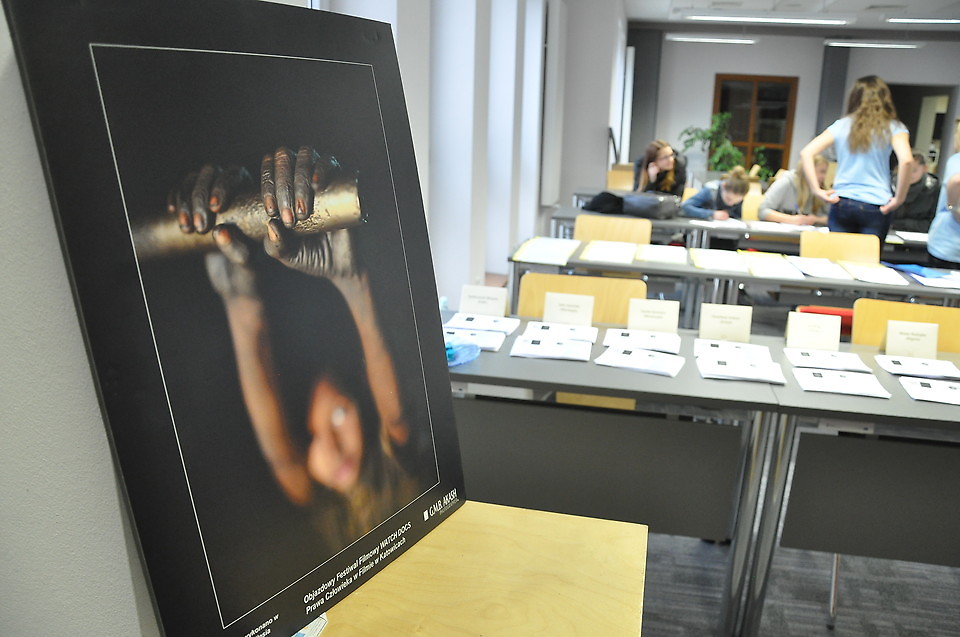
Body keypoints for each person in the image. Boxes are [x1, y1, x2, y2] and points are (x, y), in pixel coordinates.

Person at [168, 147, 427, 551]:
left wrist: (240, 302)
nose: (332, 449)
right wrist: (354, 283)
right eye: (338, 417)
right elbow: (399, 421)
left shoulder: (309, 490)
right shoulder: (394, 440)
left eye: (315, 435)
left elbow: (281, 457)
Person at [799, 75, 913, 241]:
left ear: (855, 98)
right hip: (876, 204)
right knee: (867, 256)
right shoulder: (894, 127)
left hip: (842, 202)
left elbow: (806, 152)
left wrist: (817, 190)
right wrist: (899, 199)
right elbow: (907, 160)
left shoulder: (841, 125)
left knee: (839, 255)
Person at [757, 155, 829, 225]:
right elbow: (762, 211)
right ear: (808, 170)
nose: (824, 177)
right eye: (822, 172)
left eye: (825, 172)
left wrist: (816, 219)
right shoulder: (786, 182)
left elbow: (831, 218)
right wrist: (791, 219)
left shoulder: (821, 190)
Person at [926, 122, 960, 269]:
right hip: (949, 244)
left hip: (947, 244)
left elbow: (956, 181)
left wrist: (953, 208)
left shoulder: (956, 160)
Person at [890, 152, 940, 233]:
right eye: (905, 169)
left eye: (914, 170)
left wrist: (902, 224)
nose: (908, 174)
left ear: (925, 168)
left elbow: (933, 222)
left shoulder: (934, 188)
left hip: (920, 235)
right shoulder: (891, 184)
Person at [680, 165, 750, 220]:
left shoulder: (738, 197)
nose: (731, 204)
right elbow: (685, 206)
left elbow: (737, 218)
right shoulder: (710, 190)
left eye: (736, 203)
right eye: (728, 199)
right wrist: (712, 214)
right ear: (723, 186)